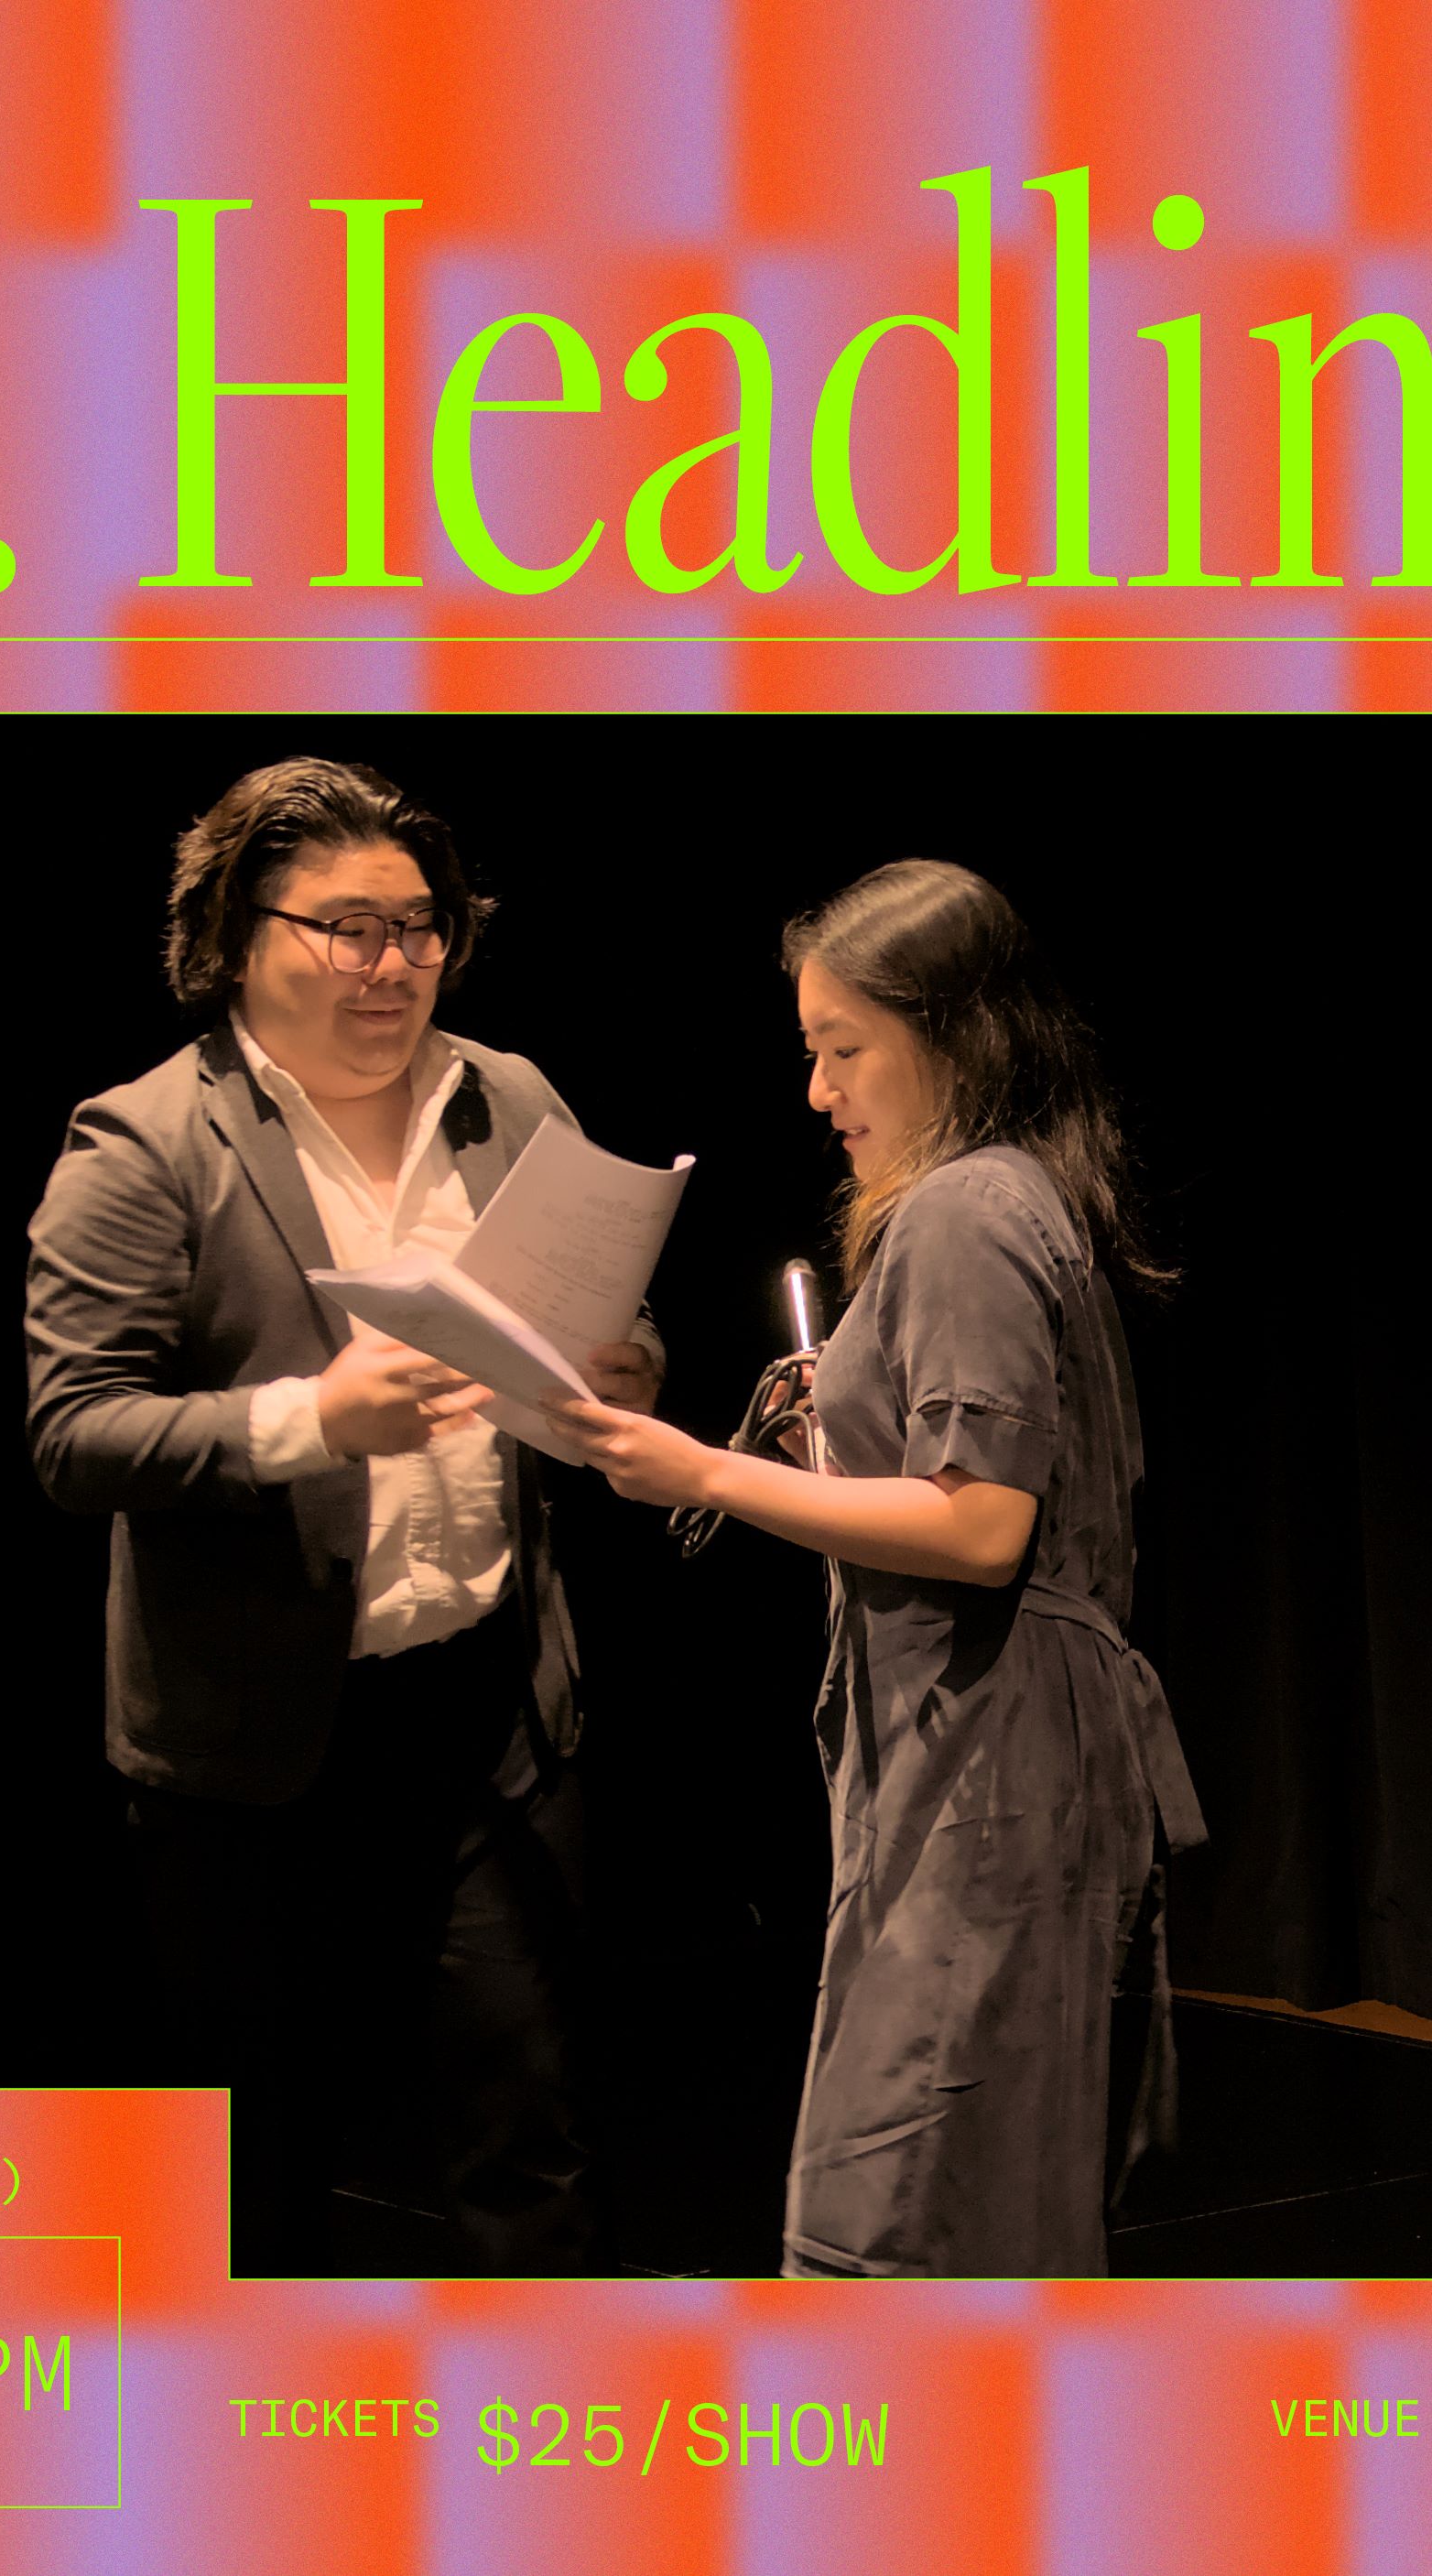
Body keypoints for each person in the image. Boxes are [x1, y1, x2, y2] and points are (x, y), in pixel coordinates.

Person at [23, 755, 655, 2274]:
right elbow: (73, 1430)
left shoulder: (512, 1098)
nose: (396, 964)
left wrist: (623, 1362)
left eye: (423, 925)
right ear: (240, 934)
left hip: (489, 1698)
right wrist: (314, 1417)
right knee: (261, 2150)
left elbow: (600, 1330)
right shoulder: (146, 1139)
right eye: (351, 927)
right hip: (256, 1736)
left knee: (534, 2124)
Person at [559, 860, 1204, 2277]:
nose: (818, 1090)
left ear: (953, 1036)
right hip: (985, 1757)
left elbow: (983, 1527)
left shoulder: (969, 1209)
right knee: (974, 2204)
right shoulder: (1009, 1199)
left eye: (843, 1049)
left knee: (910, 2210)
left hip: (997, 1764)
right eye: (812, 1052)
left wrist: (706, 1469)